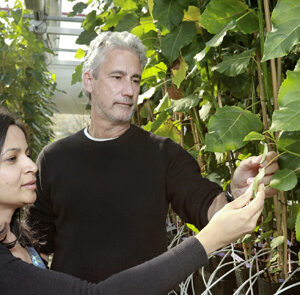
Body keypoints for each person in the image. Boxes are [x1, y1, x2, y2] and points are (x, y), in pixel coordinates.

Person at [27, 31, 279, 283]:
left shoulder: (163, 154)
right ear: (89, 80)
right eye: (117, 77)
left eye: (135, 80)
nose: (129, 91)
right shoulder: (54, 159)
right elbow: (37, 245)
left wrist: (236, 192)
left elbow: (209, 210)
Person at [0, 108, 266, 295]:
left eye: (27, 154)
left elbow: (201, 201)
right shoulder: (56, 158)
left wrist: (232, 197)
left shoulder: (15, 239)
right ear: (89, 80)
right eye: (12, 159)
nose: (31, 166)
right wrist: (209, 241)